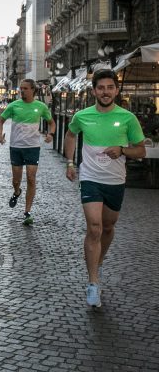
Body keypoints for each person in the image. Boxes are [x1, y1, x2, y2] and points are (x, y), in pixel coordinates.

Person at [64, 69, 145, 308]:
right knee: (95, 227)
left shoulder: (128, 118)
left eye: (110, 87)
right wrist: (70, 162)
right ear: (94, 91)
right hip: (90, 178)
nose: (106, 92)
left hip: (115, 181)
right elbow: (70, 135)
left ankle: (96, 262)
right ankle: (93, 282)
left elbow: (140, 150)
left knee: (108, 226)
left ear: (116, 90)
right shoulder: (82, 116)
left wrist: (122, 150)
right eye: (101, 88)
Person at [0, 79, 56, 225]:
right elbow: (0, 121)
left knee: (31, 178)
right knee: (16, 180)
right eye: (20, 89)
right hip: (16, 147)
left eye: (25, 88)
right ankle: (17, 191)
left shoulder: (41, 106)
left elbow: (52, 123)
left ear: (32, 90)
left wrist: (51, 134)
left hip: (33, 147)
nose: (22, 91)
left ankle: (27, 212)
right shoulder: (13, 105)